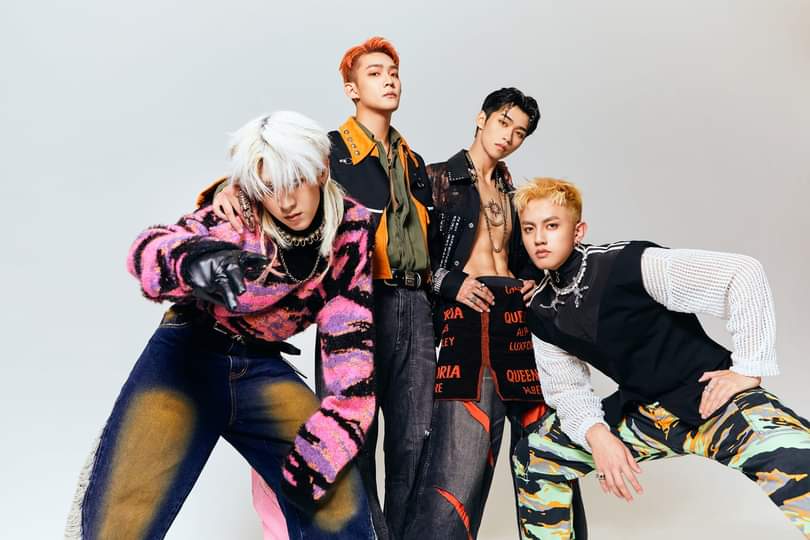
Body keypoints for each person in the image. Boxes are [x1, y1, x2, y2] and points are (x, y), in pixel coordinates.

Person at [65, 111, 377, 539]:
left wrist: (330, 441)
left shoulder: (351, 231)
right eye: (270, 188)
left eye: (296, 181)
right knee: (119, 520)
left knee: (338, 503)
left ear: (321, 170)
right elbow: (148, 249)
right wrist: (191, 261)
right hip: (187, 356)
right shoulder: (235, 215)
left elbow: (351, 344)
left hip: (260, 367)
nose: (286, 202)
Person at [213, 37, 434, 540]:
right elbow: (270, 175)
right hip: (355, 301)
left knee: (414, 441)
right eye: (375, 72)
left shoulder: (413, 162)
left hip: (415, 303)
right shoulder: (327, 151)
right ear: (351, 89)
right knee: (352, 433)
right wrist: (231, 189)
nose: (389, 79)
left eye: (394, 72)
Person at [511, 177, 810, 539]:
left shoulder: (627, 263)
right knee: (535, 455)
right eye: (529, 229)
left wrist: (749, 367)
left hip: (709, 399)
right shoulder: (541, 310)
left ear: (578, 231)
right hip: (644, 413)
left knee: (799, 460)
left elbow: (741, 273)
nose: (539, 239)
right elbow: (566, 389)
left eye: (551, 226)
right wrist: (597, 436)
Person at [405, 89, 586, 539]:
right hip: (465, 321)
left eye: (520, 132)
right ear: (481, 118)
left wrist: (531, 281)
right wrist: (451, 283)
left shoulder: (515, 195)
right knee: (458, 461)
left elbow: (530, 258)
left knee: (547, 448)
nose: (509, 137)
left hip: (518, 323)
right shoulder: (433, 178)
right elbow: (405, 256)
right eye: (504, 123)